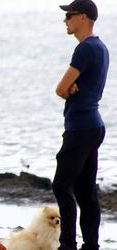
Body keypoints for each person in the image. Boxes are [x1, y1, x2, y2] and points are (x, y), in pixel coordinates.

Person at [52, 0, 109, 250]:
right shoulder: (101, 47)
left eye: (70, 16)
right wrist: (71, 89)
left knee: (61, 185)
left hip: (80, 127)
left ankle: (68, 245)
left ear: (84, 18)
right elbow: (71, 88)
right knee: (86, 192)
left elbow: (61, 89)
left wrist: (69, 90)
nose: (66, 20)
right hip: (93, 126)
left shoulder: (85, 49)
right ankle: (91, 245)